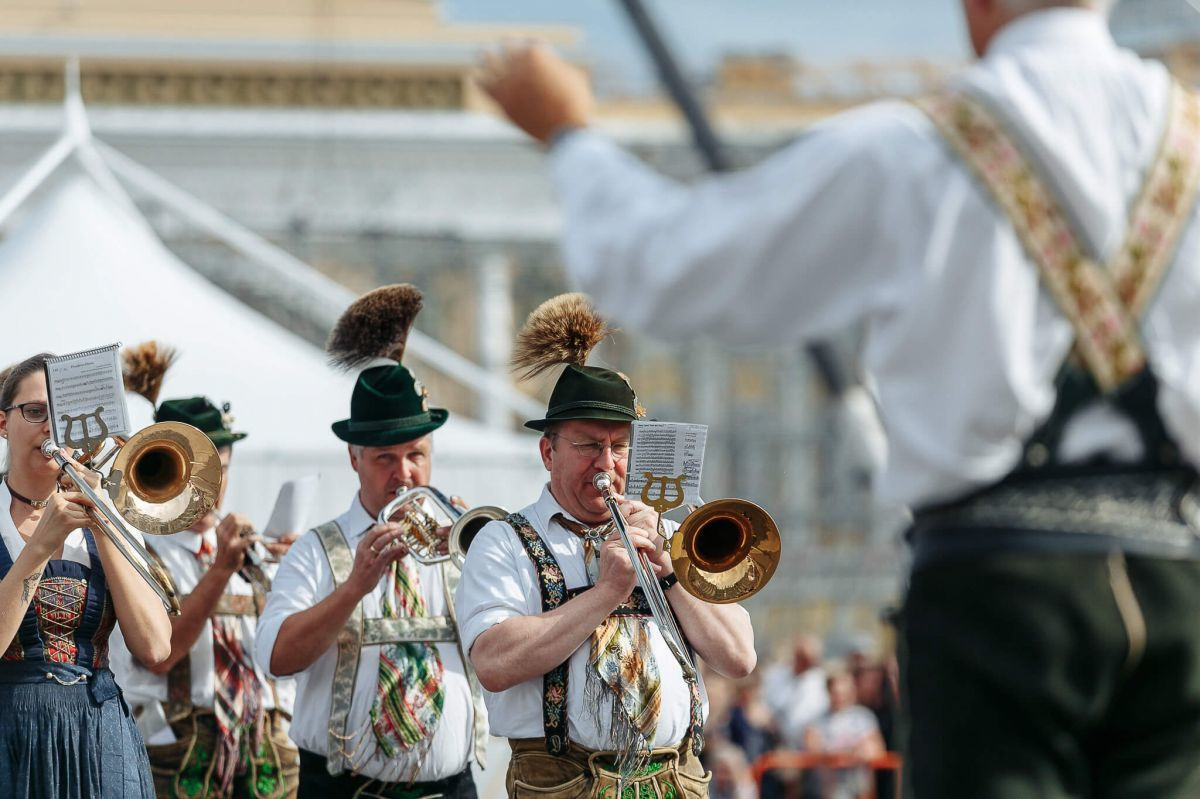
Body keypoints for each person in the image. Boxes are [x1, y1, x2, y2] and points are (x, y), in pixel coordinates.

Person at [478, 2, 1200, 796]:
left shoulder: (913, 147)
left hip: (1001, 585)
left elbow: (668, 265)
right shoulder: (1190, 138)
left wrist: (570, 135)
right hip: (1180, 577)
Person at [455, 293, 756, 799]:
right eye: (589, 445)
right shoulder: (503, 542)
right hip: (565, 784)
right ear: (548, 451)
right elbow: (494, 663)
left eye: (619, 446)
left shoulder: (664, 535)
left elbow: (739, 658)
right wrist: (605, 593)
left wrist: (669, 571)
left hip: (676, 781)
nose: (607, 465)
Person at [254, 284, 486, 798]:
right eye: (385, 458)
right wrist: (354, 587)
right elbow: (275, 657)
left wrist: (487, 556)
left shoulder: (464, 539)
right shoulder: (316, 550)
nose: (404, 474)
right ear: (353, 458)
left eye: (416, 454)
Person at [109, 341, 300, 799]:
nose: (214, 487)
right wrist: (218, 573)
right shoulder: (137, 550)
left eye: (223, 469)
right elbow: (160, 654)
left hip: (265, 752)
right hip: (179, 751)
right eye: (201, 469)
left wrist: (294, 574)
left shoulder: (249, 549)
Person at [0, 352, 172, 797]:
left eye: (65, 416)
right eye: (36, 412)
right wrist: (39, 546)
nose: (52, 429)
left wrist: (104, 521)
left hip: (98, 737)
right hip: (10, 736)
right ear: (2, 423)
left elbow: (155, 646)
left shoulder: (107, 516)